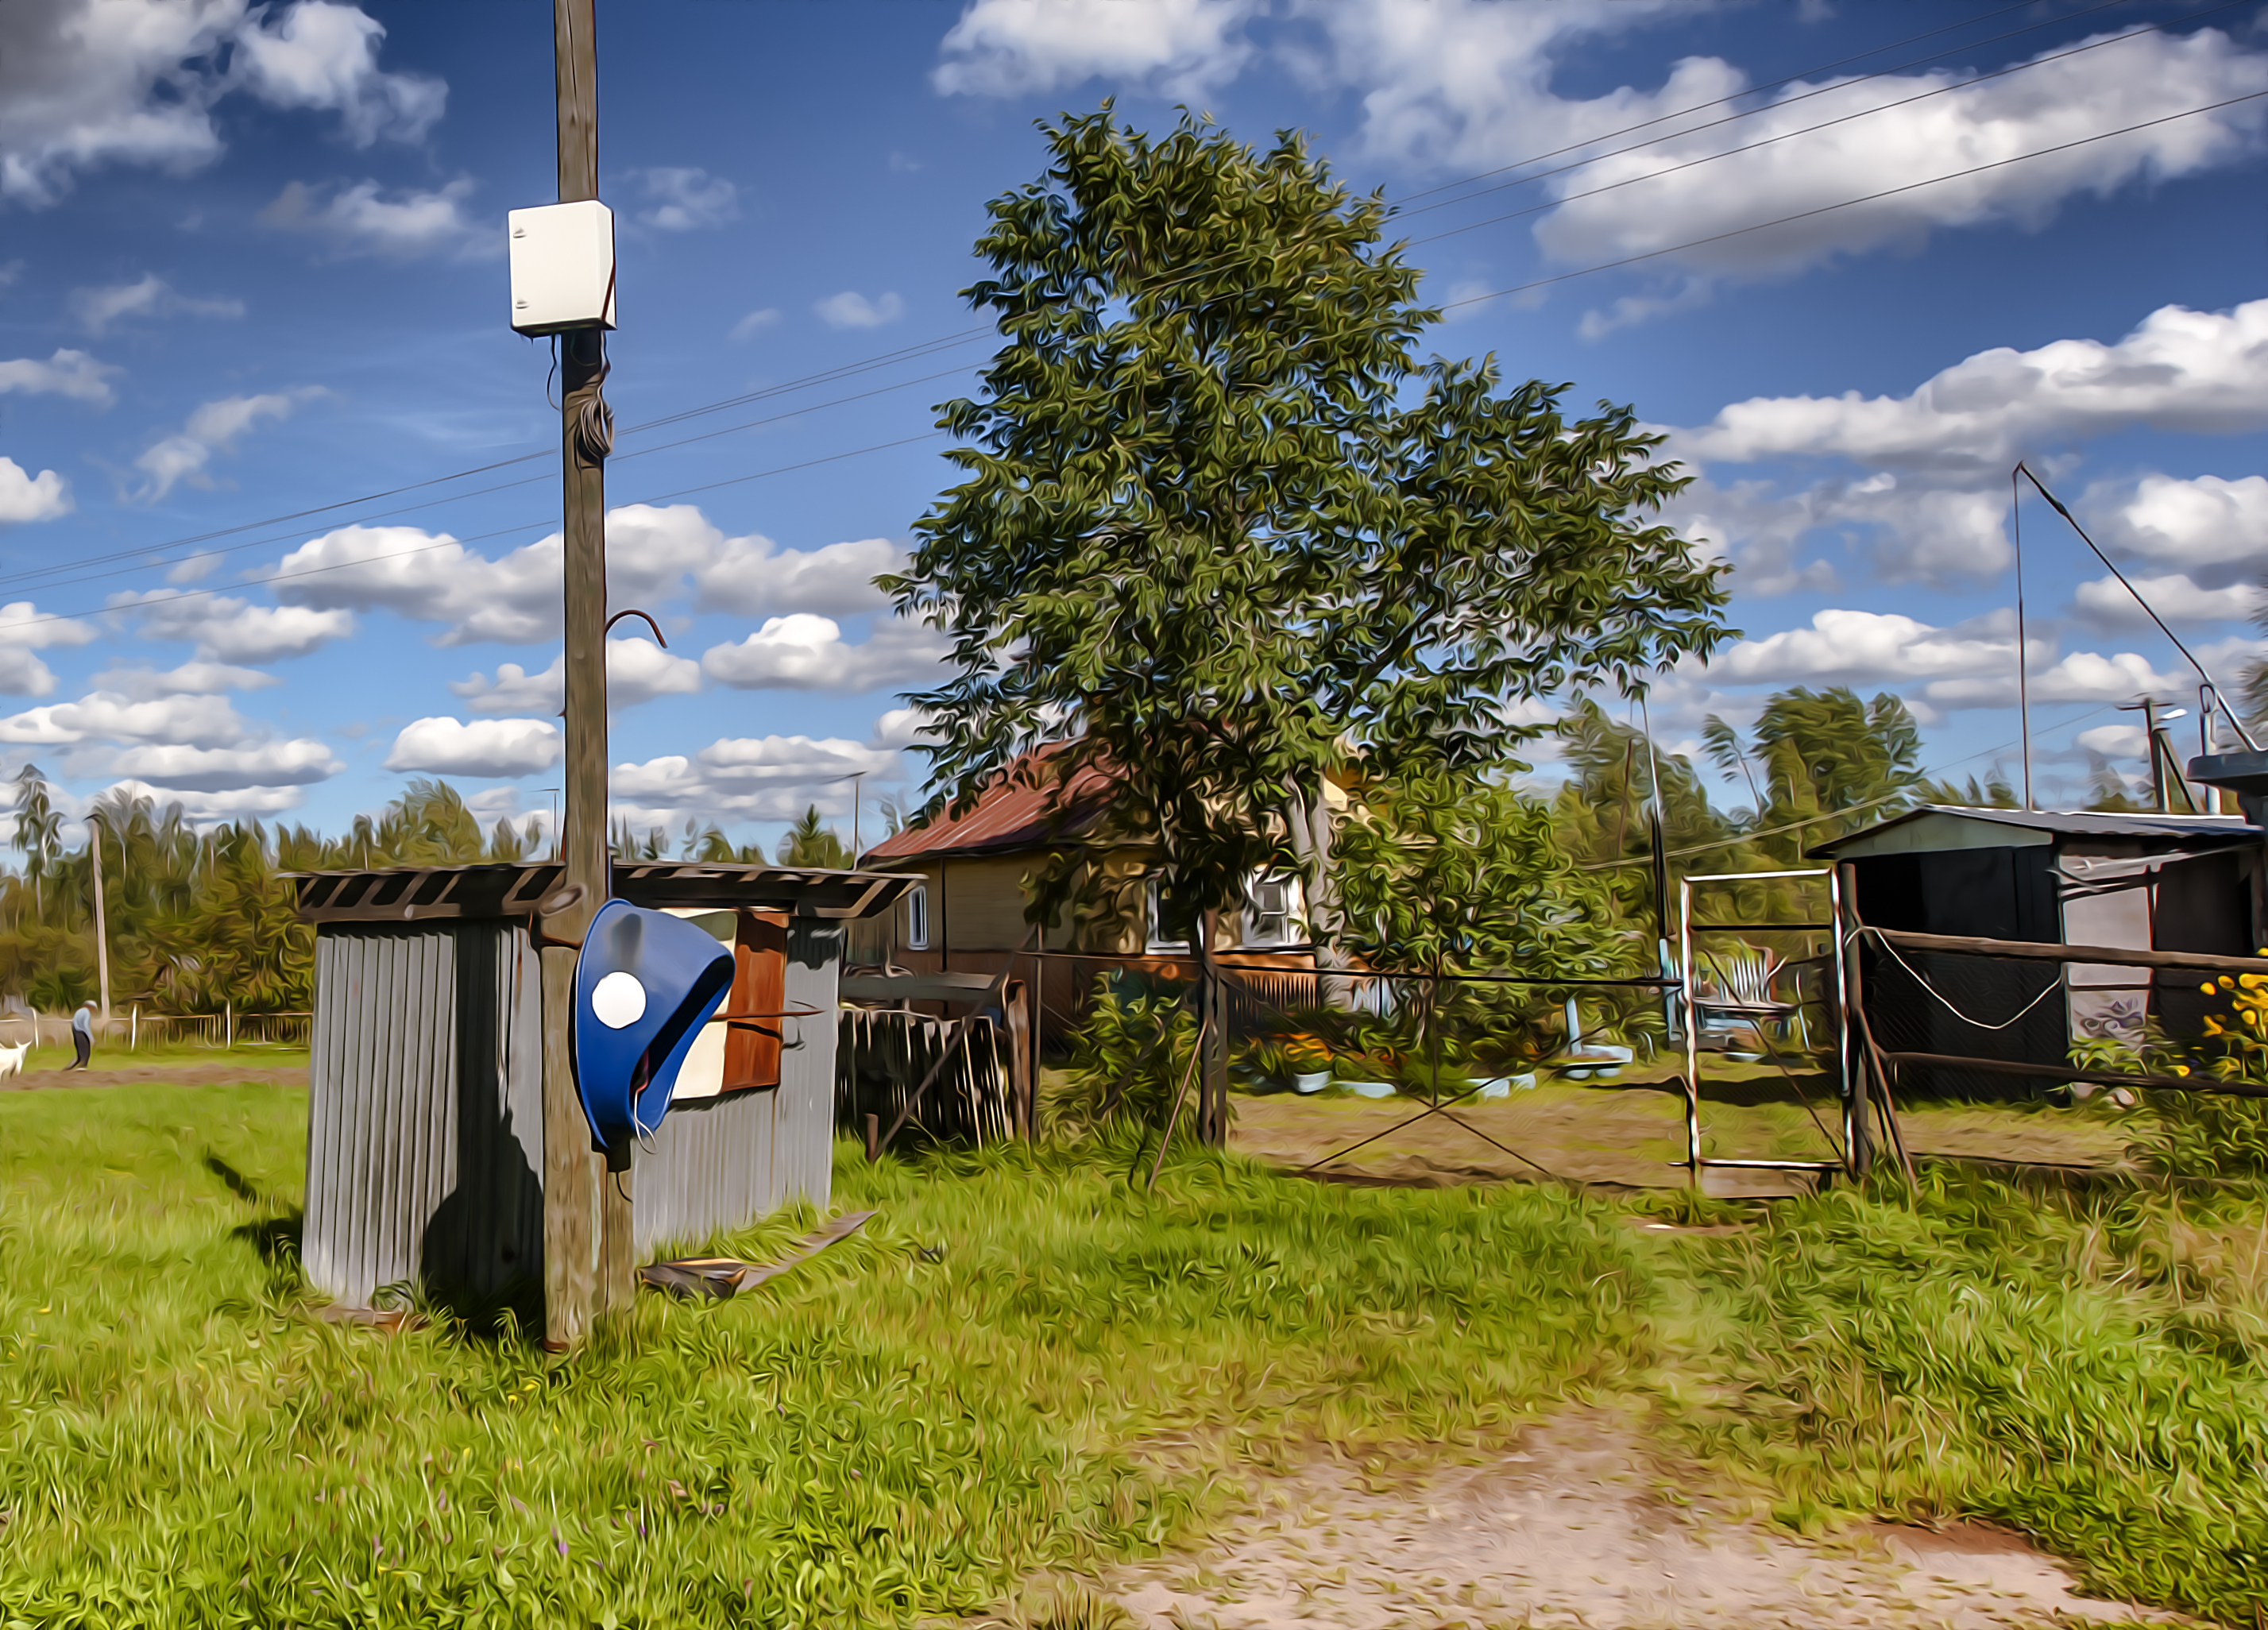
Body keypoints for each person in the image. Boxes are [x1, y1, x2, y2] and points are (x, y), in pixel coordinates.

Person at [65, 999, 93, 1072]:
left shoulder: (79, 1011)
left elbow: (74, 1022)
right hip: (81, 1032)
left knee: (80, 1054)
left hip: (75, 1031)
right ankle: (82, 1069)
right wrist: (91, 1037)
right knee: (85, 1053)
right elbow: (86, 1025)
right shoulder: (86, 1012)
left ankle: (68, 1068)